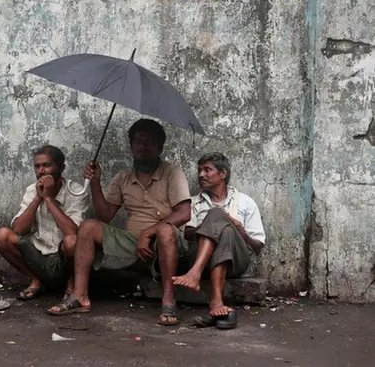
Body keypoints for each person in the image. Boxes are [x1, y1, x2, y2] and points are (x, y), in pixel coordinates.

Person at [47, 119, 192, 326]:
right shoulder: (123, 177)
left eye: (149, 142)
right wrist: (95, 183)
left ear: (159, 147)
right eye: (138, 141)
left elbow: (184, 213)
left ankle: (168, 299)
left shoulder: (172, 172)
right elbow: (105, 215)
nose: (143, 146)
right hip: (132, 245)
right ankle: (80, 295)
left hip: (165, 244)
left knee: (166, 232)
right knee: (88, 227)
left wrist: (149, 232)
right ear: (131, 146)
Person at [172, 152, 266, 329]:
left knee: (224, 225)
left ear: (223, 174)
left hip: (236, 261)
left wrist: (240, 230)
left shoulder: (245, 203)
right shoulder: (192, 203)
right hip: (199, 257)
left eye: (207, 170)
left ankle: (194, 274)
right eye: (199, 170)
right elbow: (187, 234)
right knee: (220, 223)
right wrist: (214, 225)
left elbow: (257, 247)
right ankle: (216, 302)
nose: (201, 175)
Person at [0, 145, 89, 300]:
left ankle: (72, 285)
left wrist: (49, 199)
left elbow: (72, 232)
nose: (41, 171)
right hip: (38, 255)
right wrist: (38, 198)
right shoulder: (32, 190)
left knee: (72, 241)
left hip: (63, 259)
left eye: (46, 165)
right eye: (37, 166)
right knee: (2, 235)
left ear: (61, 167)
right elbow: (18, 229)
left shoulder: (76, 191)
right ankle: (36, 281)